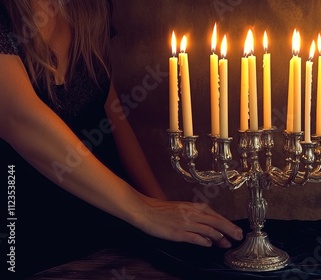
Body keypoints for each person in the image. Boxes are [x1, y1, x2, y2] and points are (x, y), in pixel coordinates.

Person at [0, 0, 242, 277]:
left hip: (106, 222)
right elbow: (17, 117)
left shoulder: (91, 7)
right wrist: (143, 210)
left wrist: (160, 206)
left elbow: (109, 112)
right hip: (24, 234)